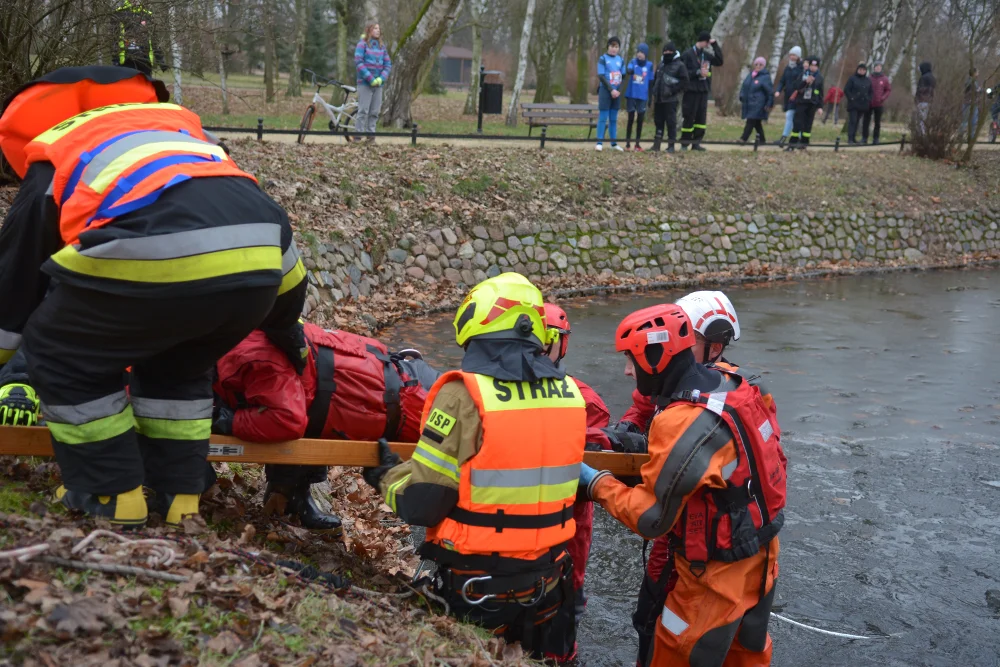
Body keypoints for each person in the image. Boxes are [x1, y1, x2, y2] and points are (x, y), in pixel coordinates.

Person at [0, 66, 307, 528]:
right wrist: (288, 332)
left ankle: (110, 493)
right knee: (178, 366)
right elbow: (283, 261)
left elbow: (16, 280)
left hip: (151, 253)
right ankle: (179, 496)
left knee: (61, 353)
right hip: (258, 265)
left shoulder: (60, 150)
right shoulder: (188, 139)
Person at [365, 273, 587, 661]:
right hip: (550, 584)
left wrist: (385, 475)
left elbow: (423, 504)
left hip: (478, 588)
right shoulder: (570, 395)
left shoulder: (462, 394)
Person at [581, 303, 786, 666]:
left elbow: (651, 519)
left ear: (657, 358)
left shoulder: (681, 420)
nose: (628, 371)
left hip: (714, 577)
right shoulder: (743, 383)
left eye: (631, 359)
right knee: (747, 656)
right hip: (763, 557)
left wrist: (596, 483)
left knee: (677, 653)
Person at [213, 322, 440, 534]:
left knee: (468, 430)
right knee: (313, 403)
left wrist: (229, 421)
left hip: (412, 401)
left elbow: (286, 419)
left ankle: (290, 494)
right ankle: (289, 494)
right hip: (387, 389)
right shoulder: (242, 339)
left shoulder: (248, 359)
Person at [680, 31, 724, 151]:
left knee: (701, 118)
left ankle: (696, 143)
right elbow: (682, 73)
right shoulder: (687, 54)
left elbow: (720, 61)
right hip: (691, 91)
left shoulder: (706, 55)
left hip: (703, 90)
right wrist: (697, 72)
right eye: (707, 43)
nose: (708, 46)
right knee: (689, 116)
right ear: (703, 41)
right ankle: (685, 143)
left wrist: (715, 45)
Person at [354, 23, 392, 142]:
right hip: (365, 84)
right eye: (375, 28)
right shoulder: (362, 45)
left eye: (379, 29)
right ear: (369, 30)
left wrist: (381, 78)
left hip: (378, 85)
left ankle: (371, 137)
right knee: (363, 111)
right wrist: (370, 78)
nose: (378, 30)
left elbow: (387, 64)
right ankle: (357, 137)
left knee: (374, 112)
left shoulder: (382, 47)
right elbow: (359, 63)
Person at [650, 42, 689, 153]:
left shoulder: (680, 65)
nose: (667, 53)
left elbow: (685, 82)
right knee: (658, 122)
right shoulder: (661, 64)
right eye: (665, 51)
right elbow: (656, 79)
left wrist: (672, 90)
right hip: (659, 98)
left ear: (673, 52)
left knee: (671, 123)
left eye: (669, 51)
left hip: (671, 99)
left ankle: (671, 146)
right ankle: (656, 145)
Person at [787, 57, 824, 150]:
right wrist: (805, 82)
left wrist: (820, 106)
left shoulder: (820, 77)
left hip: (812, 104)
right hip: (801, 102)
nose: (813, 68)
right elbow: (796, 86)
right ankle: (792, 143)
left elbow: (820, 93)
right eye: (811, 65)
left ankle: (804, 143)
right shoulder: (803, 74)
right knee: (797, 123)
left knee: (808, 124)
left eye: (815, 66)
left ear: (818, 67)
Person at [596, 36, 625, 152]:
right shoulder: (603, 58)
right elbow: (601, 76)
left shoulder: (621, 60)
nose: (614, 49)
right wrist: (611, 90)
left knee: (613, 119)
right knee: (603, 117)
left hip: (616, 93)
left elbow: (623, 76)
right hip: (605, 91)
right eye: (612, 46)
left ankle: (613, 143)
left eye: (616, 47)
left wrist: (618, 91)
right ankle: (599, 143)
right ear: (608, 47)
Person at [624, 43, 655, 151]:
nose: (639, 54)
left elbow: (651, 82)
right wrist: (629, 71)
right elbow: (629, 69)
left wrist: (650, 97)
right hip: (632, 94)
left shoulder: (649, 65)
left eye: (642, 52)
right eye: (638, 52)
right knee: (630, 119)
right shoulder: (633, 62)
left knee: (640, 120)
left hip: (642, 96)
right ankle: (627, 144)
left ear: (646, 54)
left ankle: (637, 144)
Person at [115, 0, 157, 76]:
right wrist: (115, 59)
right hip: (126, 59)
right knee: (128, 86)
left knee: (144, 86)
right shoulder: (119, 13)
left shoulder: (147, 14)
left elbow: (154, 38)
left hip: (145, 60)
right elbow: (114, 38)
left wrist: (160, 59)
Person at [739, 57, 773, 145]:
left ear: (764, 66)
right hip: (749, 103)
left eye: (760, 65)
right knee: (757, 123)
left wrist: (769, 103)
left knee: (750, 120)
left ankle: (743, 138)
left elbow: (770, 92)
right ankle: (762, 140)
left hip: (758, 103)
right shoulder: (750, 75)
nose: (758, 66)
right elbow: (744, 86)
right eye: (756, 64)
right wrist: (742, 95)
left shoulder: (765, 77)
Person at [774, 46, 803, 146]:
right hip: (788, 96)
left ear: (798, 56)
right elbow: (782, 81)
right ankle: (794, 137)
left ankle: (786, 137)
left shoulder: (802, 67)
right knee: (790, 116)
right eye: (790, 55)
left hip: (798, 97)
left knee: (791, 116)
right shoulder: (788, 68)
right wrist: (778, 90)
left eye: (794, 55)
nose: (791, 57)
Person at [844, 62, 873, 144]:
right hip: (854, 103)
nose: (862, 71)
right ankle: (850, 138)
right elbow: (846, 90)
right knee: (852, 120)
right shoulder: (852, 78)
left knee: (857, 121)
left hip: (863, 104)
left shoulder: (868, 80)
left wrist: (868, 98)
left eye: (863, 70)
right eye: (860, 69)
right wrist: (851, 98)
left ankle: (853, 138)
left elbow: (871, 91)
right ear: (857, 70)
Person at [869, 62, 892, 145]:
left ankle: (876, 139)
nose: (878, 68)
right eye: (876, 67)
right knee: (866, 121)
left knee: (877, 122)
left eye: (879, 67)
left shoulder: (885, 79)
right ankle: (864, 138)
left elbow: (888, 90)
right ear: (874, 68)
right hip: (869, 103)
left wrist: (883, 98)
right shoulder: (869, 78)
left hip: (879, 103)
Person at [961, 68, 982, 140]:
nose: (978, 73)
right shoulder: (971, 82)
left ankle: (968, 135)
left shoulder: (973, 81)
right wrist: (979, 90)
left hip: (970, 103)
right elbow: (974, 90)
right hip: (970, 103)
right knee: (970, 120)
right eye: (977, 72)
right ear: (974, 73)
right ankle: (966, 135)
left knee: (969, 120)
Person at [915, 62, 935, 135]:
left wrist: (917, 99)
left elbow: (921, 89)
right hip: (929, 101)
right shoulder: (932, 77)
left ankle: (921, 135)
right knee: (925, 119)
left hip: (922, 101)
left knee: (921, 120)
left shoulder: (924, 78)